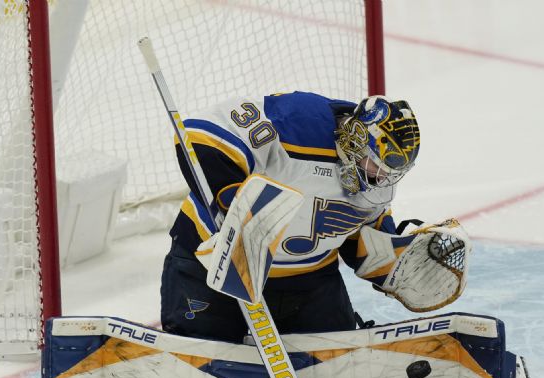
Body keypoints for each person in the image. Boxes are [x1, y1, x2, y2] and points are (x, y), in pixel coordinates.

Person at [161, 91, 421, 342]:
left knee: (338, 367)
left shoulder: (377, 182)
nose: (383, 179)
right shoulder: (297, 123)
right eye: (378, 165)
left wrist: (397, 266)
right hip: (213, 266)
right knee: (203, 363)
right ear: (357, 139)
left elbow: (362, 238)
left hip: (309, 282)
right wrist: (235, 212)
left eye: (393, 173)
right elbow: (199, 135)